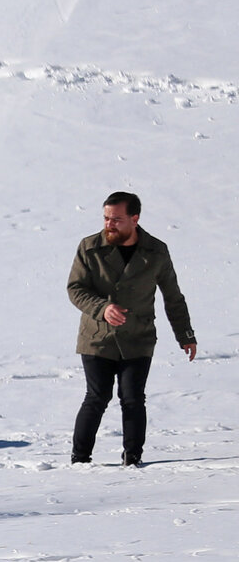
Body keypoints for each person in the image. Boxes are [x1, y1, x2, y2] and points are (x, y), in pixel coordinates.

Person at [67, 191, 196, 466]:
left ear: (134, 219)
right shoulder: (89, 247)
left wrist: (185, 335)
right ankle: (79, 461)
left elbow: (173, 296)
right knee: (97, 396)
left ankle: (133, 459)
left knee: (133, 397)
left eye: (116, 219)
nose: (109, 225)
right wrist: (102, 308)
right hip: (97, 338)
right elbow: (75, 289)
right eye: (105, 218)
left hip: (138, 337)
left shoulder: (156, 251)